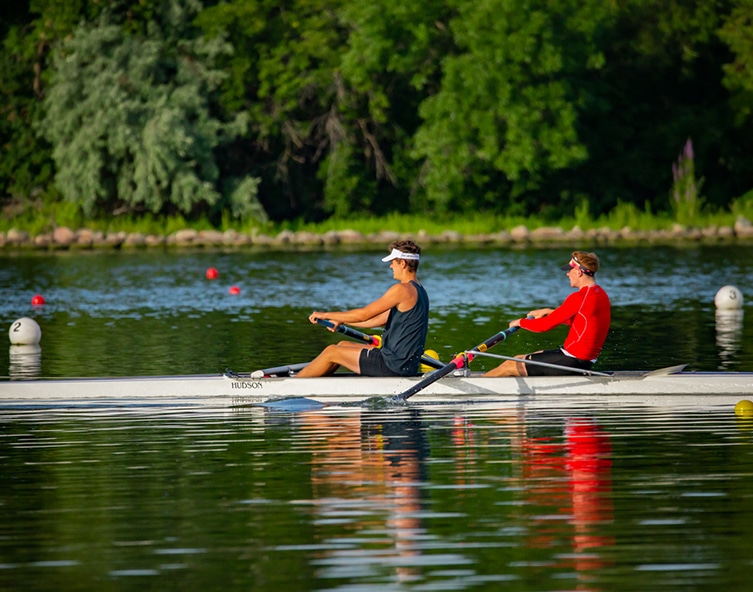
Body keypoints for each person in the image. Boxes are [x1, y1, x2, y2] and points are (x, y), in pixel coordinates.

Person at [295, 240, 430, 377]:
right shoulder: (420, 291)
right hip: (403, 364)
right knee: (342, 345)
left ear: (403, 264)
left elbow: (364, 314)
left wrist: (327, 315)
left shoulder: (402, 290)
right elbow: (377, 319)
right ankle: (315, 383)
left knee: (332, 351)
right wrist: (342, 321)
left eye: (393, 262)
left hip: (392, 365)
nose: (390, 266)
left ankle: (294, 386)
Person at [484, 251, 610, 377]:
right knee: (523, 357)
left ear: (579, 272)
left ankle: (475, 388)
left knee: (511, 364)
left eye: (569, 270)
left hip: (573, 360)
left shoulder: (579, 298)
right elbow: (582, 321)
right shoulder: (600, 294)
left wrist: (520, 322)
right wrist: (549, 312)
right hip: (583, 360)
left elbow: (544, 326)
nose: (567, 274)